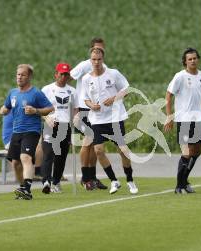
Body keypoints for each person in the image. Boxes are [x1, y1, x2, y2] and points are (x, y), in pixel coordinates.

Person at [83, 47, 138, 195]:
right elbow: (86, 98)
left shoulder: (113, 74)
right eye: (93, 59)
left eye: (99, 59)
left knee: (122, 150)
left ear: (103, 59)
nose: (96, 62)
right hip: (97, 119)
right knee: (98, 150)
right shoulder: (86, 79)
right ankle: (114, 181)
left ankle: (130, 180)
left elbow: (126, 89)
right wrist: (91, 105)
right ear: (90, 60)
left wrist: (114, 98)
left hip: (115, 118)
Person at [0, 64, 54, 200]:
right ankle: (23, 188)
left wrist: (36, 111)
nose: (19, 77)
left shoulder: (36, 93)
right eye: (18, 74)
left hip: (31, 130)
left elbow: (50, 108)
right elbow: (6, 107)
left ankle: (27, 189)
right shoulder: (13, 93)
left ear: (29, 77)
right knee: (15, 163)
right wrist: (3, 110)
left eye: (23, 75)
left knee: (25, 157)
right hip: (16, 132)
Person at [164, 47, 201, 194]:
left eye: (195, 58)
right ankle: (179, 185)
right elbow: (168, 96)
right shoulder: (180, 76)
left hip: (197, 120)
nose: (193, 61)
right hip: (183, 119)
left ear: (198, 59)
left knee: (197, 151)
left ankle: (185, 180)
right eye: (190, 59)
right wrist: (169, 117)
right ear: (185, 62)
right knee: (187, 152)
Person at [70, 37, 107, 190]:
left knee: (95, 143)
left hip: (97, 110)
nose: (99, 51)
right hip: (84, 109)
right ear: (91, 50)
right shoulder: (85, 65)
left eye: (102, 49)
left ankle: (92, 176)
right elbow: (69, 78)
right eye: (96, 48)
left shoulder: (104, 67)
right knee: (88, 139)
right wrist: (75, 107)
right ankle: (85, 177)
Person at [40, 63, 79, 193]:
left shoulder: (72, 91)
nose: (63, 76)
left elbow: (75, 109)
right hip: (51, 124)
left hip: (65, 125)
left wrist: (76, 117)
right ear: (56, 74)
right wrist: (46, 118)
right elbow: (39, 108)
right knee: (49, 153)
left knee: (61, 156)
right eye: (61, 74)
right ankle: (46, 181)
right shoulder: (47, 89)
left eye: (66, 74)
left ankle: (56, 182)